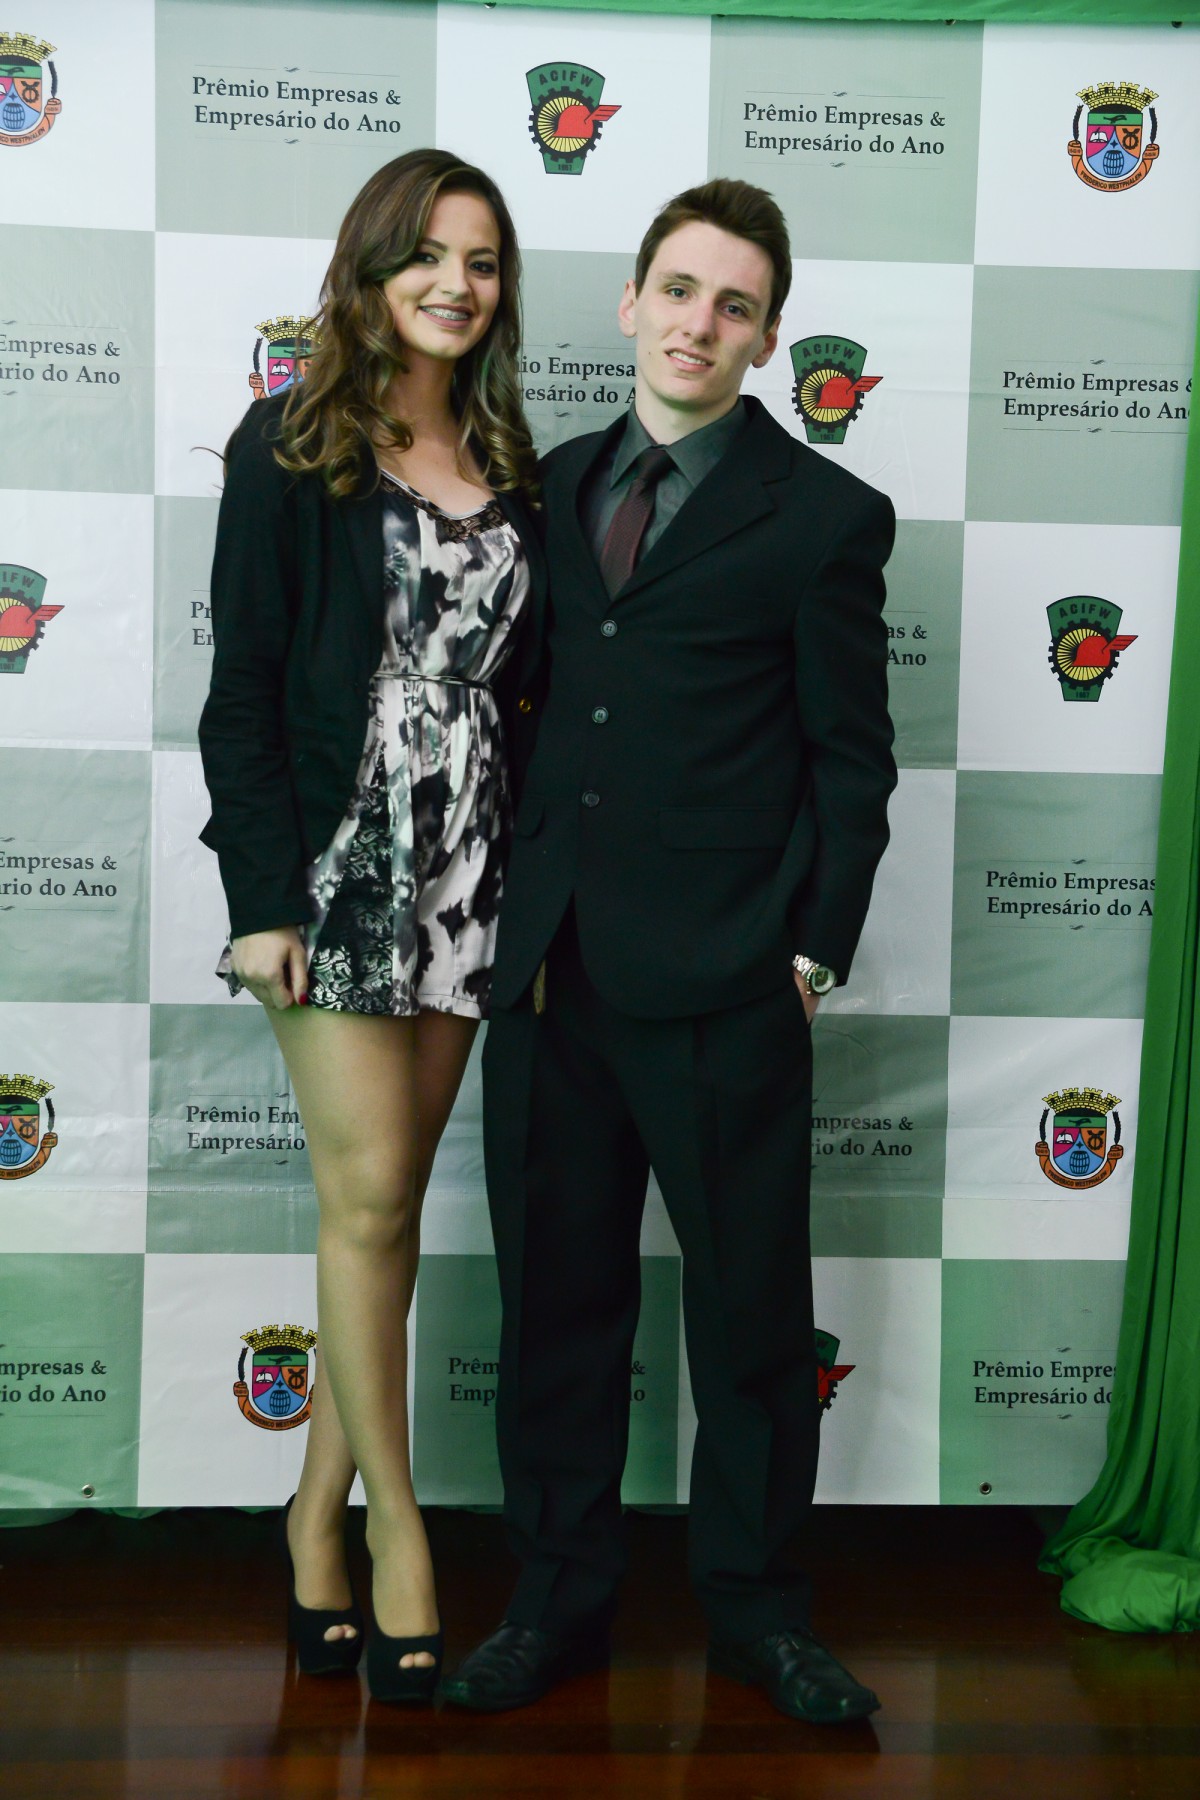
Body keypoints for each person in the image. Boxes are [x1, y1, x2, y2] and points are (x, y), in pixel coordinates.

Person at [442, 178, 896, 1724]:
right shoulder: (551, 484)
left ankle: (759, 1614)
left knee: (753, 1325)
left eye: (736, 304)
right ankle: (556, 1605)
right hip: (550, 975)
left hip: (726, 984)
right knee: (558, 1317)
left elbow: (852, 762)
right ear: (632, 301)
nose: (701, 323)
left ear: (768, 339)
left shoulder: (825, 516)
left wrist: (810, 956)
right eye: (681, 289)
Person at [197, 148, 544, 1706]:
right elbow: (242, 692)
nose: (455, 285)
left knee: (386, 1216)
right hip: (340, 862)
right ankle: (396, 1530)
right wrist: (263, 902)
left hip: (473, 866)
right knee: (374, 1194)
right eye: (429, 254)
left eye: (482, 261)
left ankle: (310, 1517)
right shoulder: (291, 446)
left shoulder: (510, 456)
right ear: (373, 264)